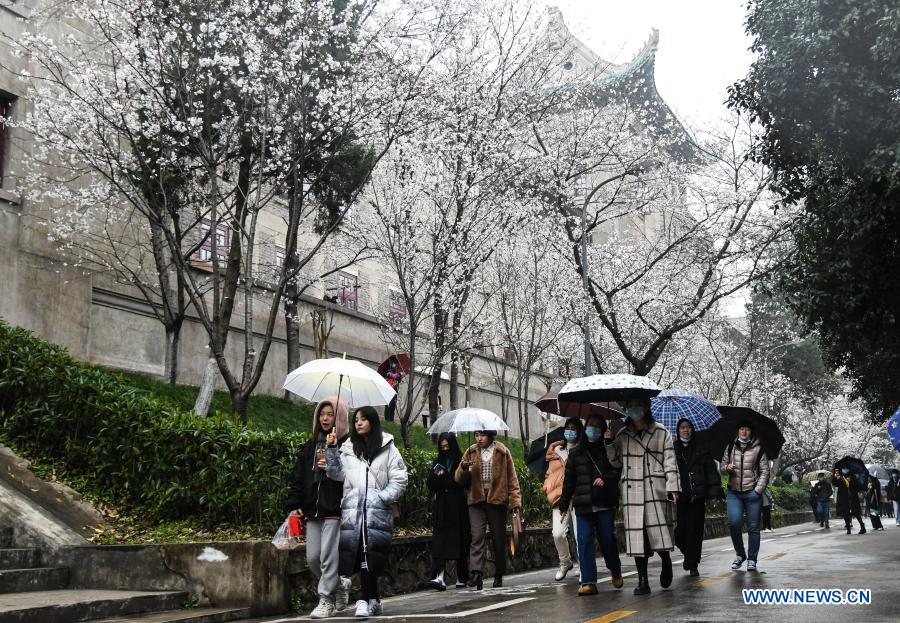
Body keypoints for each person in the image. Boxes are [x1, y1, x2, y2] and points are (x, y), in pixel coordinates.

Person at [326, 406, 408, 618]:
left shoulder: (388, 448)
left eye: (363, 419)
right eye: (356, 420)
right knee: (360, 553)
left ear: (373, 421)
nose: (358, 423)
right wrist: (332, 448)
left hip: (377, 512)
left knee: (370, 554)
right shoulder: (347, 448)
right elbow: (336, 474)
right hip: (353, 512)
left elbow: (400, 478)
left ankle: (365, 599)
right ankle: (371, 599)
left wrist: (381, 498)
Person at [604, 398, 680, 596]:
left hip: (655, 487)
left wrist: (673, 487)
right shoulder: (622, 435)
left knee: (659, 533)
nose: (634, 410)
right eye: (630, 406)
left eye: (638, 406)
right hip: (632, 491)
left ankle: (665, 560)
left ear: (646, 408)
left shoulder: (661, 432)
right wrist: (608, 443)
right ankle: (643, 580)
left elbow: (670, 461)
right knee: (639, 538)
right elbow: (615, 463)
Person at [284, 396, 350, 619]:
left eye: (330, 414)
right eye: (322, 414)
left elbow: (347, 476)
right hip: (312, 510)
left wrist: (332, 454)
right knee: (313, 558)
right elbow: (298, 477)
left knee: (328, 557)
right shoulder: (310, 446)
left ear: (339, 418)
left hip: (334, 508)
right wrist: (296, 505)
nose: (325, 418)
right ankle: (339, 583)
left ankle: (326, 600)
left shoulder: (347, 446)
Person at [558, 415, 623, 595]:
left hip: (605, 504)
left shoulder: (608, 449)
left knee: (607, 540)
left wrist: (605, 479)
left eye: (597, 427)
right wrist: (563, 506)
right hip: (583, 505)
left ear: (603, 430)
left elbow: (618, 471)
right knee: (584, 541)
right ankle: (588, 582)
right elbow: (568, 482)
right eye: (590, 426)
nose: (592, 430)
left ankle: (615, 569)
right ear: (585, 429)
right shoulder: (576, 452)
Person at [455, 429, 521, 590]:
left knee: (498, 539)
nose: (479, 438)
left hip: (497, 501)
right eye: (477, 435)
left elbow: (512, 479)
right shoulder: (470, 452)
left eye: (482, 435)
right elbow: (458, 479)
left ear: (491, 435)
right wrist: (464, 469)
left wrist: (515, 503)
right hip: (476, 501)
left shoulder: (502, 451)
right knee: (477, 537)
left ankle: (499, 573)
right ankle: (476, 573)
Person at [672, 418, 723, 577]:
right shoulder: (672, 450)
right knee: (679, 533)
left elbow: (711, 470)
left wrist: (714, 490)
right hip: (680, 498)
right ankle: (688, 555)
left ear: (692, 430)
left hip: (697, 497)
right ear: (678, 430)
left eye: (688, 427)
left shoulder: (701, 449)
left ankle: (693, 564)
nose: (686, 430)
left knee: (694, 532)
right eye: (682, 428)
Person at [720, 422, 769, 572]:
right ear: (737, 430)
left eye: (747, 429)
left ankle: (752, 559)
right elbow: (721, 468)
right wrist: (726, 468)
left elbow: (765, 471)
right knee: (734, 523)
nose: (744, 432)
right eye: (741, 429)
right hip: (734, 492)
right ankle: (740, 555)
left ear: (751, 432)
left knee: (753, 527)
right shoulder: (730, 447)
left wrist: (757, 491)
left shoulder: (759, 448)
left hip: (752, 493)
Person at [425, 433, 470, 590]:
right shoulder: (438, 462)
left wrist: (460, 472)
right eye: (442, 447)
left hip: (458, 505)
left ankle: (462, 577)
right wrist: (438, 476)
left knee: (460, 540)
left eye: (447, 446)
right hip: (442, 506)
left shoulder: (461, 460)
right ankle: (440, 577)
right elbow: (430, 484)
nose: (445, 449)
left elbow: (461, 482)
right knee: (441, 541)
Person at [541, 418, 582, 583]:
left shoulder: (582, 449)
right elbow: (550, 473)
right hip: (560, 497)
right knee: (557, 534)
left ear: (579, 432)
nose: (570, 431)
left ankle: (583, 565)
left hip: (578, 496)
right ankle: (565, 562)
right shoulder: (556, 450)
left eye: (573, 428)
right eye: (567, 428)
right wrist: (547, 484)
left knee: (580, 535)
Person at [832, 466, 865, 535]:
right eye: (844, 469)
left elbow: (858, 487)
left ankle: (862, 527)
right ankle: (848, 529)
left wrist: (852, 481)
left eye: (846, 469)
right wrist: (835, 477)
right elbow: (835, 484)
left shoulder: (853, 477)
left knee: (856, 513)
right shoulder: (840, 477)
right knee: (845, 514)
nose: (845, 470)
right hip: (844, 499)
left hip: (853, 498)